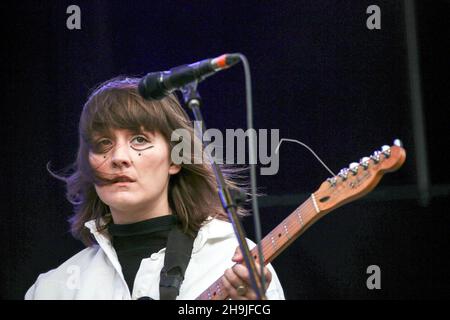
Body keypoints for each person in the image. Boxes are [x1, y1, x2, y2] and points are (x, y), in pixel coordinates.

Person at [25, 76, 285, 300]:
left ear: (175, 158)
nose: (118, 157)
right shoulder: (53, 289)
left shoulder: (233, 263)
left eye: (139, 140)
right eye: (103, 143)